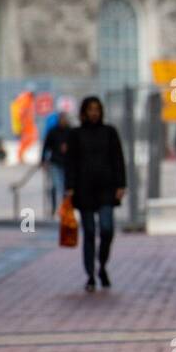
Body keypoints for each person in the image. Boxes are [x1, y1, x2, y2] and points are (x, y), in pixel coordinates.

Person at [64, 96, 127, 293]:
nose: (94, 112)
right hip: (83, 191)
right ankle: (90, 274)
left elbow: (118, 159)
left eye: (97, 109)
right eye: (90, 109)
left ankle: (102, 264)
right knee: (89, 232)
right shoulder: (75, 134)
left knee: (107, 228)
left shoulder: (109, 132)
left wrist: (121, 184)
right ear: (84, 112)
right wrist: (70, 187)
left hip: (106, 189)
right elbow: (70, 163)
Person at [41, 111, 71, 213]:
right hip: (55, 162)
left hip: (67, 162)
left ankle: (64, 206)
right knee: (55, 184)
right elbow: (46, 146)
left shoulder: (71, 131)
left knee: (64, 185)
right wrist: (43, 160)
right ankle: (55, 207)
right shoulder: (53, 131)